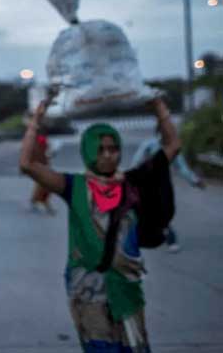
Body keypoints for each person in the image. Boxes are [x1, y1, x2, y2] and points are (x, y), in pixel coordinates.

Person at [19, 95, 181, 353]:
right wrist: (36, 120)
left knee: (135, 347)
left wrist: (160, 109)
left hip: (127, 286)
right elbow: (27, 164)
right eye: (100, 149)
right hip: (87, 289)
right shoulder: (73, 186)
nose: (108, 155)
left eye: (113, 148)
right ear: (88, 151)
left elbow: (172, 146)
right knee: (100, 348)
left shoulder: (132, 181)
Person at [131, 126, 206, 252]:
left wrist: (195, 180)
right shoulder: (148, 145)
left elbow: (182, 168)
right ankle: (170, 238)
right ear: (159, 133)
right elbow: (136, 161)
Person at [30, 127, 55, 215]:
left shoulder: (35, 140)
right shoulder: (41, 140)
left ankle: (36, 200)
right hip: (42, 164)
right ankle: (43, 202)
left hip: (40, 164)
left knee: (41, 184)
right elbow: (44, 152)